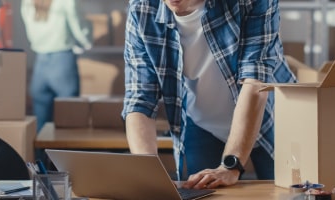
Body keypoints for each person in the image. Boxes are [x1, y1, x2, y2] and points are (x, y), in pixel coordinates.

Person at [122, 0, 295, 189]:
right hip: (203, 123)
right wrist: (149, 175)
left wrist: (231, 165)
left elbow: (255, 83)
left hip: (273, 119)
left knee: (290, 192)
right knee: (201, 192)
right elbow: (140, 99)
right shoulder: (142, 8)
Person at [21, 0, 93, 131]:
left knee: (41, 127)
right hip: (63, 61)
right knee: (69, 122)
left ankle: (40, 146)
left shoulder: (27, 1)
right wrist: (87, 41)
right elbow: (79, 26)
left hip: (40, 63)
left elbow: (28, 27)